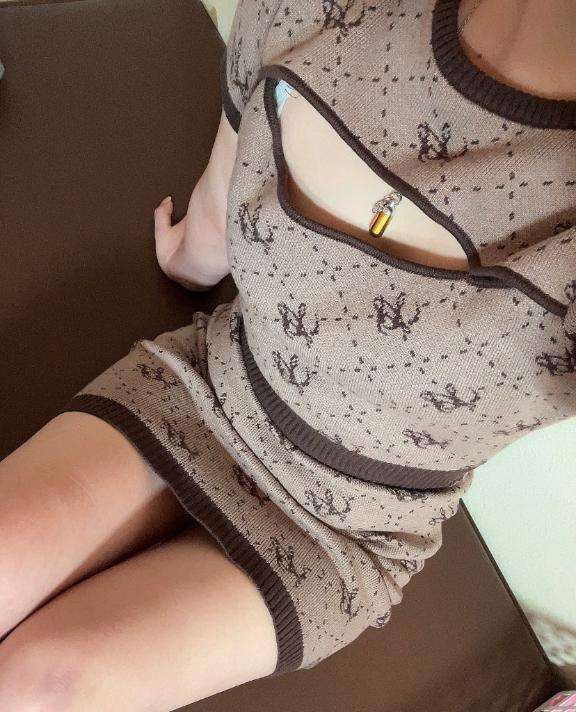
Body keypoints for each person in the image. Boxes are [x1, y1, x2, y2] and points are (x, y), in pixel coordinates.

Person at [0, 0, 574, 709]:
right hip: (210, 385)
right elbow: (228, 181)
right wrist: (190, 258)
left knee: (40, 691)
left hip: (345, 529)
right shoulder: (321, 8)